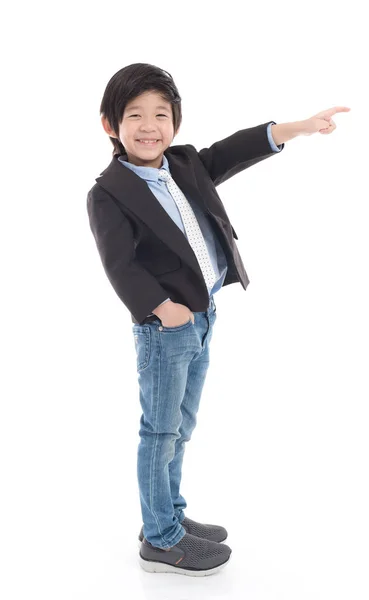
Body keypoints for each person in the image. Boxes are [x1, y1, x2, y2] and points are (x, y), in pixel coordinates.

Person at [87, 62, 350, 576]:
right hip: (167, 329)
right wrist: (166, 312)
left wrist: (296, 128)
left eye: (160, 115)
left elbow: (233, 150)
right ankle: (161, 541)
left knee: (181, 427)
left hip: (205, 316)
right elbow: (121, 266)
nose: (148, 126)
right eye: (134, 115)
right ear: (110, 125)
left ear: (175, 123)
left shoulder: (184, 164)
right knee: (160, 431)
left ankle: (167, 516)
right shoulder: (107, 193)